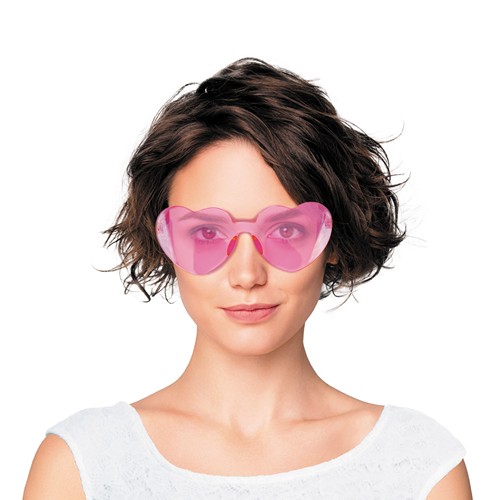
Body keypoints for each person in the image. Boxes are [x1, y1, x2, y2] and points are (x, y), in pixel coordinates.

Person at [23, 58, 472, 499]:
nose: (246, 274)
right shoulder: (82, 465)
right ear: (166, 242)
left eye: (286, 231)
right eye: (206, 233)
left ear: (333, 240)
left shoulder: (417, 467)